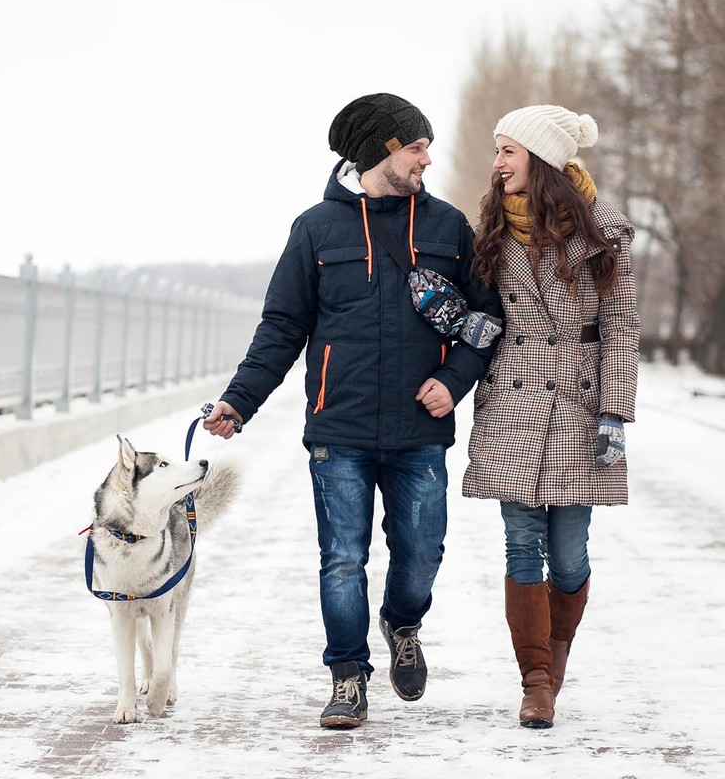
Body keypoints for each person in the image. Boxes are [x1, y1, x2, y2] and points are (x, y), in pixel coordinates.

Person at [204, 92, 503, 728]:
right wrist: (239, 400)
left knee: (422, 553)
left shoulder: (449, 227)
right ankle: (346, 676)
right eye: (416, 146)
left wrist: (453, 381)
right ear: (381, 152)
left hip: (420, 429)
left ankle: (402, 623)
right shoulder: (316, 228)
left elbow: (485, 320)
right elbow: (282, 327)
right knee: (342, 558)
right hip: (338, 429)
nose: (427, 158)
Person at [462, 105, 640, 728]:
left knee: (568, 556)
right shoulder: (491, 230)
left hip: (580, 403)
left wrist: (615, 412)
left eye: (508, 150)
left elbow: (622, 327)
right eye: (496, 150)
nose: (497, 162)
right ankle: (536, 680)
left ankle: (555, 658)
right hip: (513, 399)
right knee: (521, 543)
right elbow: (481, 308)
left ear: (539, 159)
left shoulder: (604, 233)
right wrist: (462, 322)